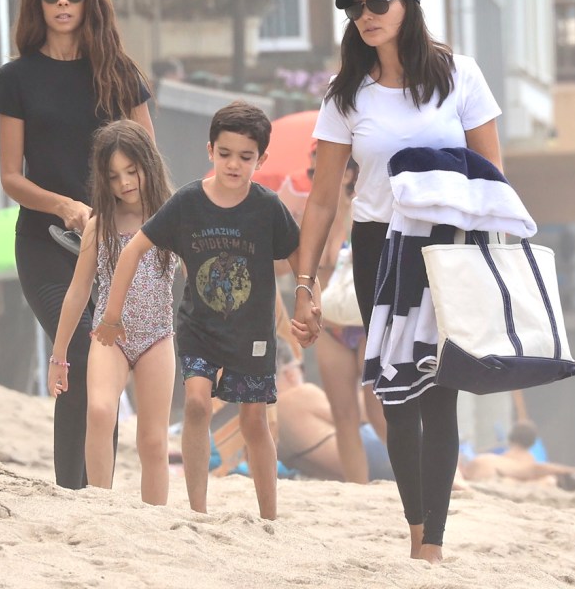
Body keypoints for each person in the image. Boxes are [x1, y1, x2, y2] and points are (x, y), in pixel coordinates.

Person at [293, 0, 503, 563]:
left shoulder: (460, 76)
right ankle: (414, 528)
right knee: (394, 394)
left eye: (376, 5)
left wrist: (488, 258)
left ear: (407, 6)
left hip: (446, 245)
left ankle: (431, 544)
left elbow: (493, 176)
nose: (365, 18)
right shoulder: (346, 95)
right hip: (378, 245)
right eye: (355, 8)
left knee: (440, 392)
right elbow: (324, 198)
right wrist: (306, 284)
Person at [0, 0, 154, 489]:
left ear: (91, 0)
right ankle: (73, 491)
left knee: (103, 361)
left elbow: (147, 162)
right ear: (37, 2)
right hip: (45, 242)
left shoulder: (119, 73)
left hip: (113, 247)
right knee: (83, 351)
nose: (63, 3)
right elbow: (11, 177)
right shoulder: (17, 77)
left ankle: (97, 490)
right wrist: (64, 205)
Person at [98, 100, 301, 520]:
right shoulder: (188, 202)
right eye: (225, 154)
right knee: (195, 403)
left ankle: (270, 518)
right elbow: (133, 249)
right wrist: (112, 315)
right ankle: (198, 512)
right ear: (210, 150)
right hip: (199, 328)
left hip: (253, 332)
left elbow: (297, 256)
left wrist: (307, 300)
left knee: (254, 422)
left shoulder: (267, 207)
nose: (233, 164)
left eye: (245, 157)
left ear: (260, 159)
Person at [47, 121, 176, 503]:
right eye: (114, 175)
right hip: (108, 336)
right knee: (101, 411)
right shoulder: (99, 226)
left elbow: (200, 280)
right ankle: (99, 507)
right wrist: (59, 356)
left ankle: (155, 520)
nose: (124, 183)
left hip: (158, 336)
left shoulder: (172, 218)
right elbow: (77, 291)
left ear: (147, 165)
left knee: (153, 440)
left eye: (131, 171)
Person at [316, 159, 387, 483]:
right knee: (343, 415)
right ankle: (357, 489)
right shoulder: (320, 208)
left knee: (380, 413)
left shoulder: (375, 205)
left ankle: (444, 482)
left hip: (368, 319)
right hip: (332, 323)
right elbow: (317, 263)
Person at [275, 339, 393, 482]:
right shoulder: (295, 397)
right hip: (372, 456)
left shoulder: (262, 424)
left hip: (352, 470)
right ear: (290, 374)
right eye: (301, 368)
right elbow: (362, 411)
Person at [461, 421, 575, 490]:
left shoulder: (486, 459)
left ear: (511, 438)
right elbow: (565, 470)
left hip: (476, 476)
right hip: (493, 483)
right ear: (533, 443)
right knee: (549, 480)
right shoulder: (530, 467)